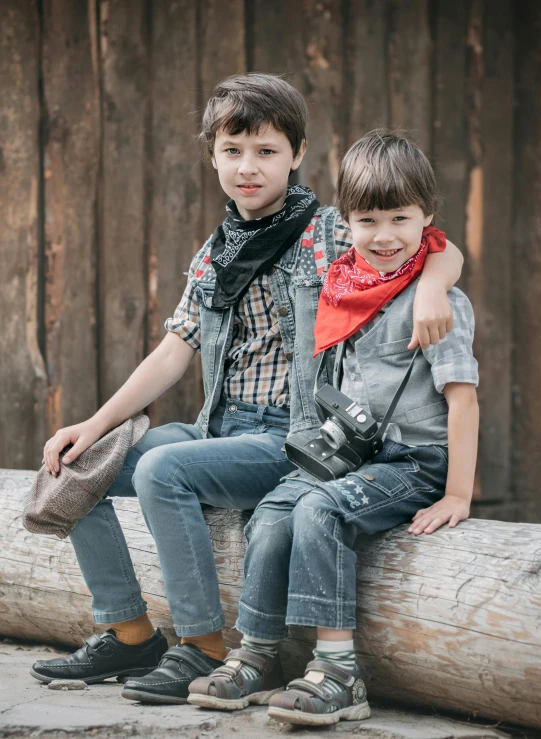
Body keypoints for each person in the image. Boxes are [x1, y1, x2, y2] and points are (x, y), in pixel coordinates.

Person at [30, 78, 463, 705]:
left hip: (291, 436)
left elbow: (433, 245)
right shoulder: (215, 252)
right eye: (233, 150)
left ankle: (203, 646)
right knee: (78, 469)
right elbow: (174, 350)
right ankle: (128, 631)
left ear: (297, 153)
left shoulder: (327, 232)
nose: (248, 167)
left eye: (265, 151)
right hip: (217, 428)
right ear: (212, 156)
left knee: (161, 470)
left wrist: (428, 288)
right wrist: (91, 427)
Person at [188, 130, 479, 726]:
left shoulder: (439, 303)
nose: (386, 235)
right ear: (345, 222)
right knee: (271, 510)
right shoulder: (345, 288)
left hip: (413, 462)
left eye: (401, 218)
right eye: (368, 220)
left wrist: (457, 493)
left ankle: (339, 669)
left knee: (316, 509)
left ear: (428, 218)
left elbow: (463, 401)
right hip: (354, 453)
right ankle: (257, 655)